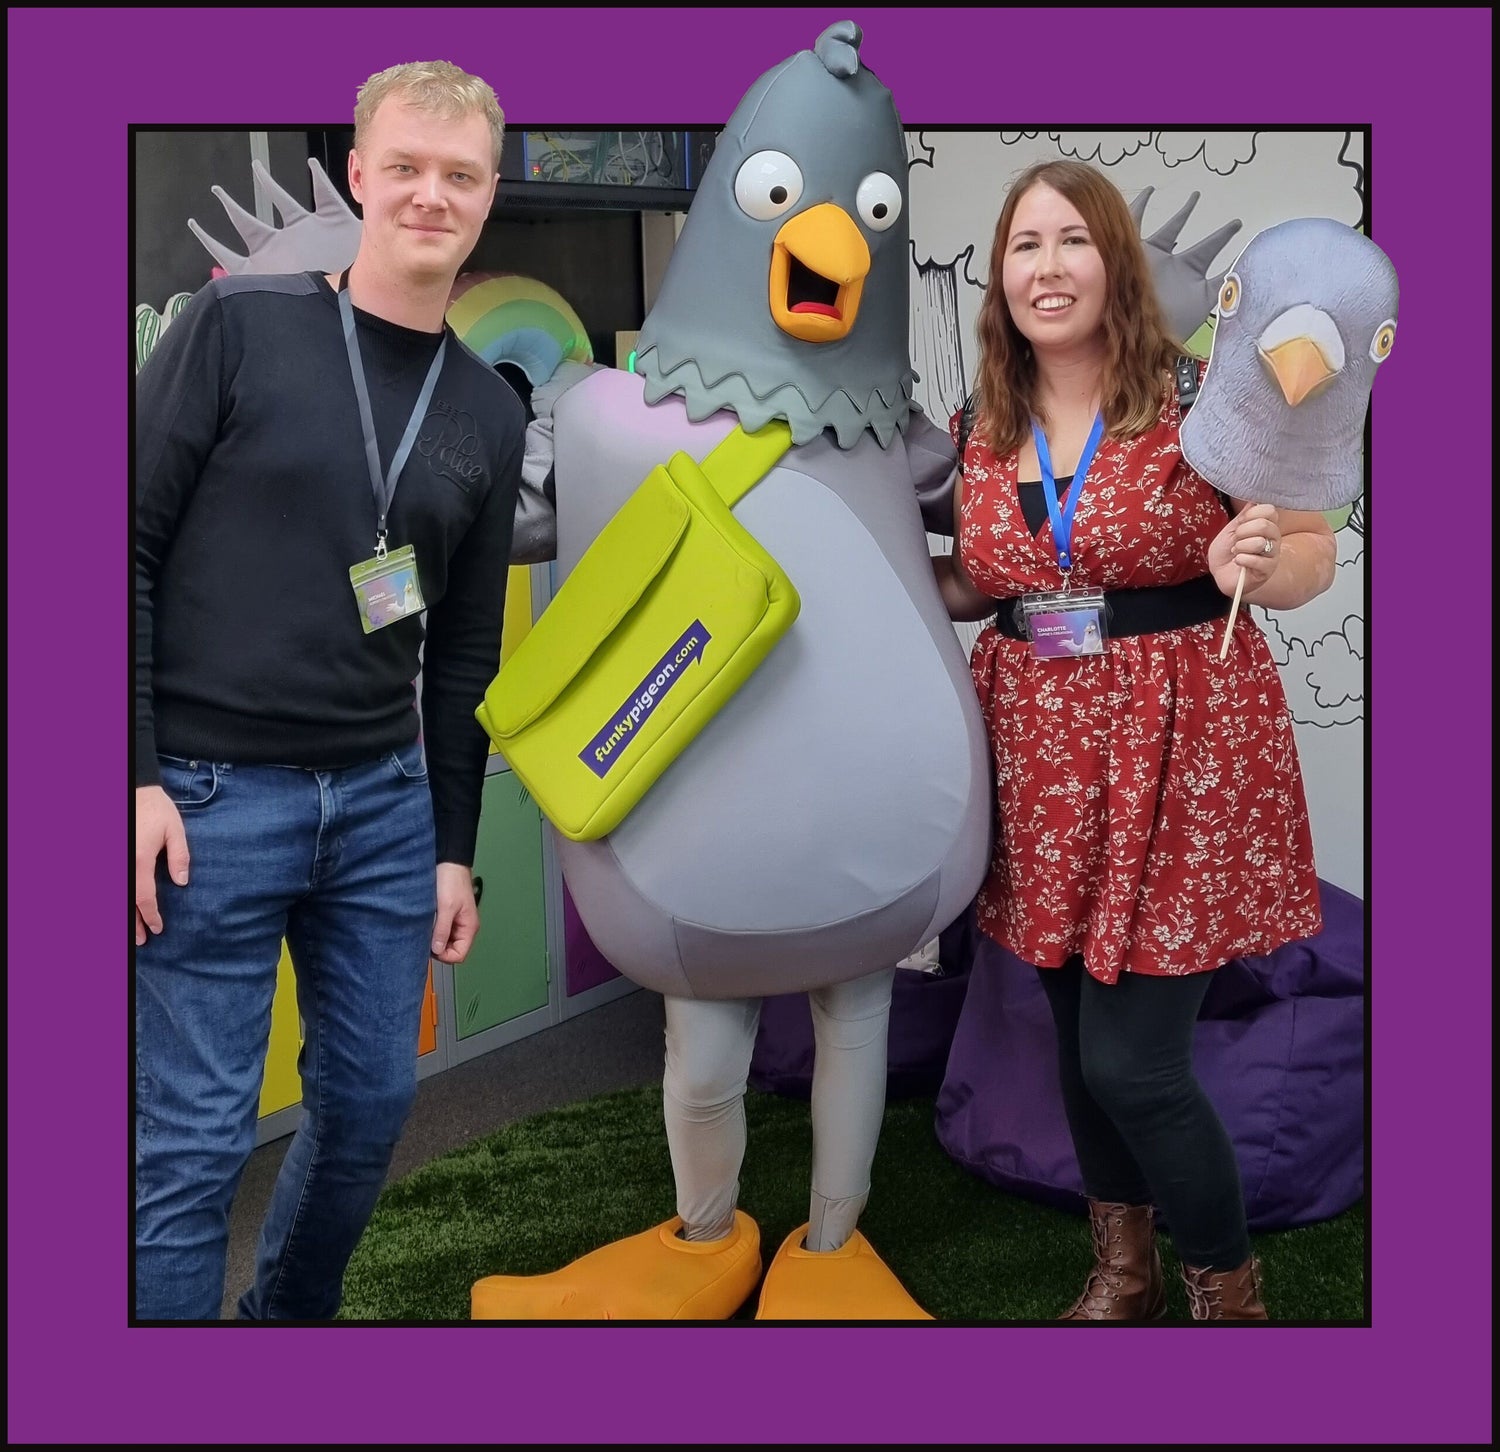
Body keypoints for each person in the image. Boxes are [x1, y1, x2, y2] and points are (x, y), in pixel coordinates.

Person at [133, 60, 524, 1320]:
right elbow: (115, 551)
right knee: (191, 1148)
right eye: (404, 167)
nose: (429, 195)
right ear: (358, 174)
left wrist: (453, 847)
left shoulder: (485, 408)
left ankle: (282, 1331)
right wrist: (129, 774)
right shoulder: (240, 327)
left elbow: (464, 651)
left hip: (381, 805)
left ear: (487, 197)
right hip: (204, 800)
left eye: (458, 176)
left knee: (365, 1112)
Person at [933, 159, 1335, 1321]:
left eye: (1071, 241)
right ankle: (1124, 1269)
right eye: (1024, 247)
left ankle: (1229, 1290)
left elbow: (1308, 549)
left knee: (1133, 1060)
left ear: (1115, 259)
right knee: (1070, 1032)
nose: (1047, 268)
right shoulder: (983, 420)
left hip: (1182, 751)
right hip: (1040, 754)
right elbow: (982, 583)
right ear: (1000, 277)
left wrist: (1267, 561)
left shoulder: (1210, 395)